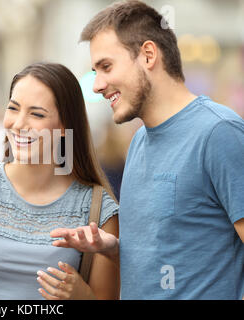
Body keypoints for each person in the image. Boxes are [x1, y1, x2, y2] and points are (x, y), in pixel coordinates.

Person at [51, 0, 244, 300]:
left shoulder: (219, 133)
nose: (97, 85)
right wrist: (114, 248)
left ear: (148, 55)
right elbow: (169, 252)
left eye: (106, 67)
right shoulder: (139, 141)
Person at [0, 62, 120, 300]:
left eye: (36, 114)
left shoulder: (98, 210)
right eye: (13, 109)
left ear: (65, 127)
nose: (18, 124)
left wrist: (83, 296)